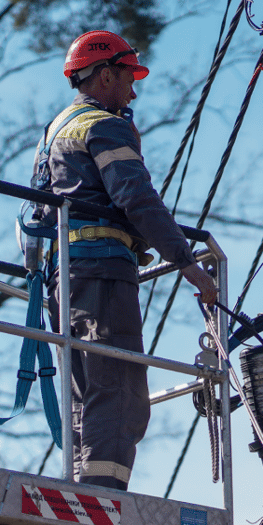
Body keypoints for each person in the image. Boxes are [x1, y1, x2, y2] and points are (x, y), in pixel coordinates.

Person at [24, 30, 218, 491]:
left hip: (64, 280)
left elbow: (38, 212)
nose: (134, 91)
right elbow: (136, 197)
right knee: (121, 390)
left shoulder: (55, 130)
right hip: (103, 274)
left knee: (86, 391)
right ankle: (103, 498)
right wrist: (186, 264)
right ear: (107, 75)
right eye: (130, 79)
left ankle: (81, 488)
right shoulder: (102, 124)